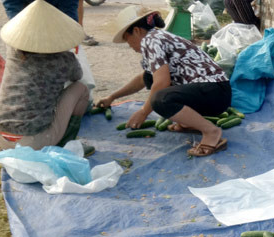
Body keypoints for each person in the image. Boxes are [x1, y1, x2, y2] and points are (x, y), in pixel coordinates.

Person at [96, 6, 232, 157]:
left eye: (128, 40)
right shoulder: (157, 37)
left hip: (214, 91)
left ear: (136, 31)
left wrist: (143, 112)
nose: (130, 46)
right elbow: (143, 79)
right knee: (150, 77)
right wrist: (112, 97)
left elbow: (162, 82)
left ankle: (211, 132)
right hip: (214, 92)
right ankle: (189, 122)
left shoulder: (150, 40)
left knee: (160, 99)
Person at [0, 0, 93, 155]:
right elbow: (77, 76)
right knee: (81, 88)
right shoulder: (64, 59)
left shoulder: (14, 50)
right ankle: (66, 144)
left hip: (3, 140)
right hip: (33, 144)